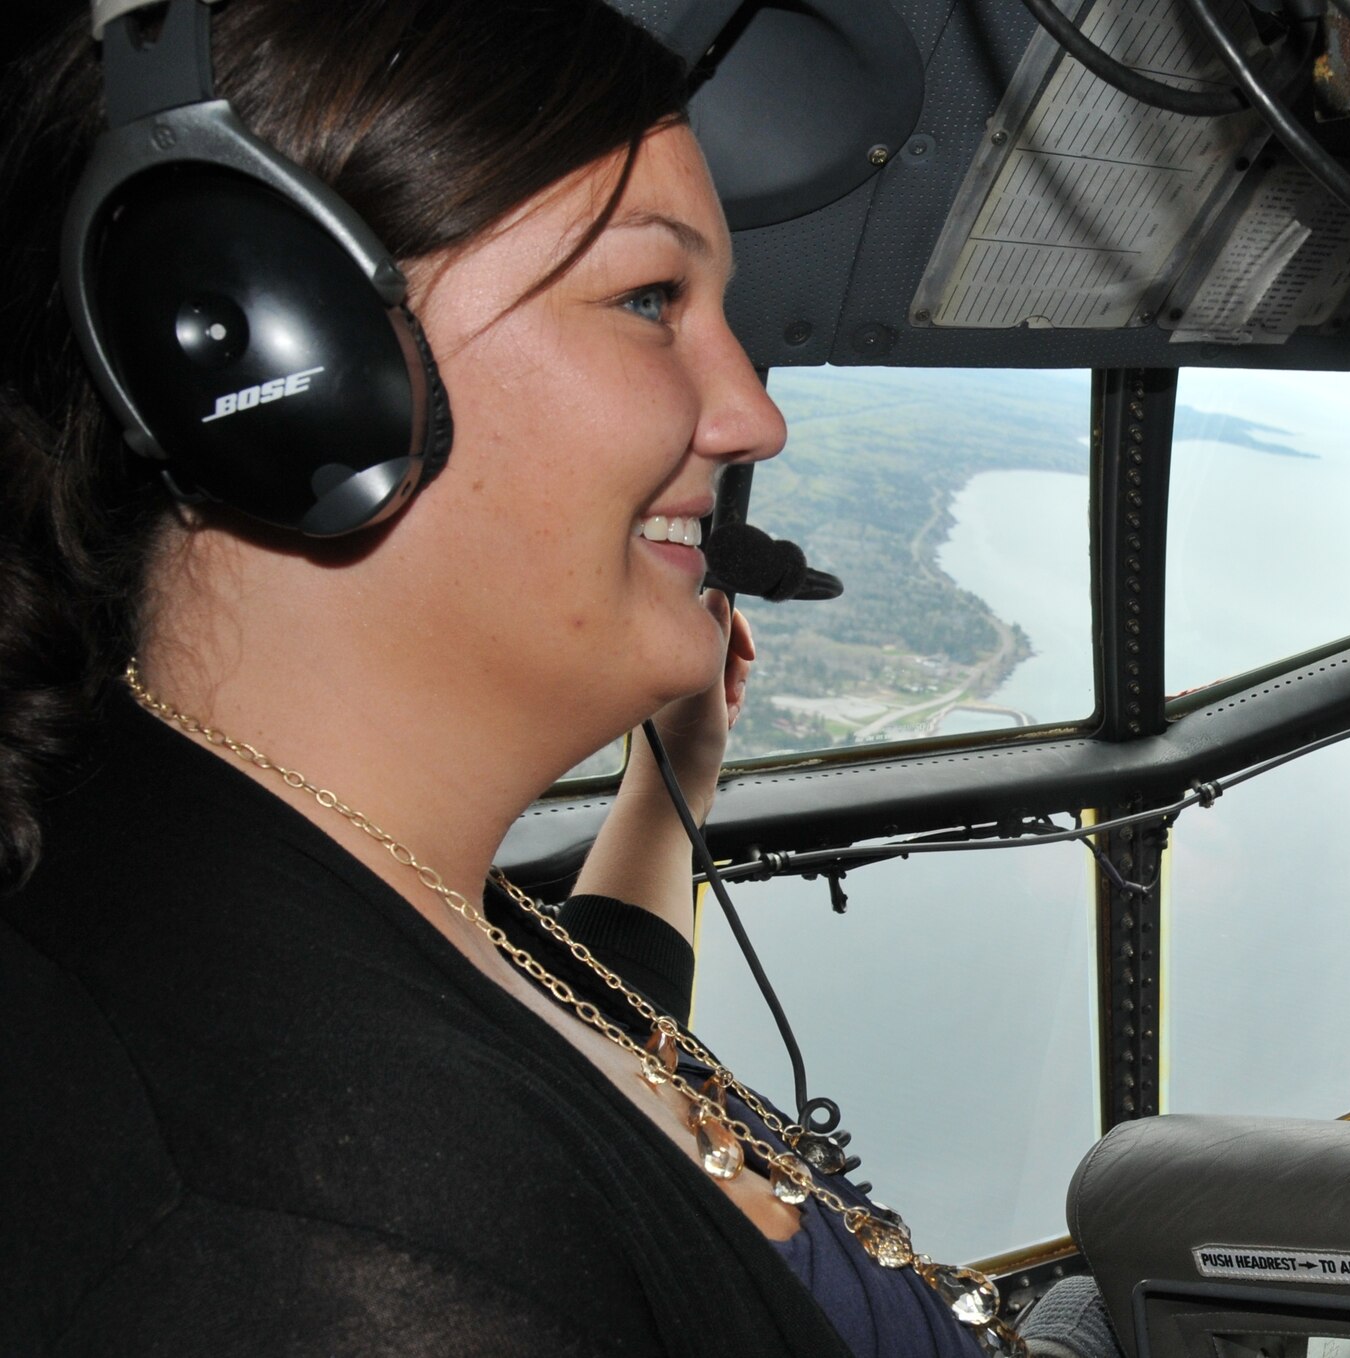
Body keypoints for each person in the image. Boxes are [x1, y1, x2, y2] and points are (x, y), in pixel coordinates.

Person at [0, 3, 996, 1354]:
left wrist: (673, 778)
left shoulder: (331, 869)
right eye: (651, 299)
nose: (756, 416)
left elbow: (580, 1003)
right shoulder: (323, 1251)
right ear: (277, 353)